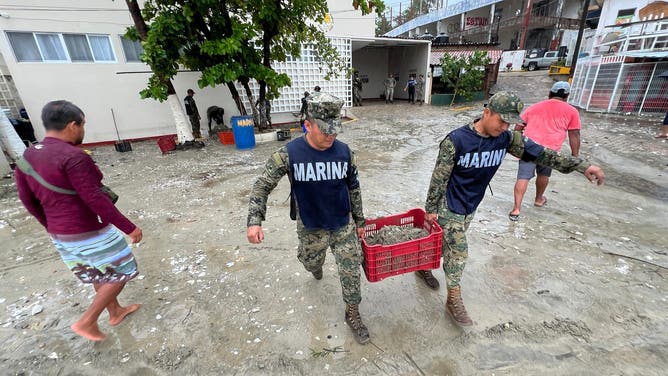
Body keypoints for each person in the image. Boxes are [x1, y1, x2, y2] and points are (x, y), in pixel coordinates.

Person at [418, 91, 605, 327]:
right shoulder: (456, 141)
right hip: (450, 205)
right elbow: (438, 179)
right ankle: (453, 299)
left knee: (445, 244)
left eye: (509, 122)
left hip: (471, 204)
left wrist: (582, 166)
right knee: (458, 251)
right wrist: (430, 210)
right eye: (501, 120)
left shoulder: (506, 139)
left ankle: (423, 265)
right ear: (486, 113)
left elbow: (545, 155)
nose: (504, 126)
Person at [14, 100, 143, 341]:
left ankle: (115, 312)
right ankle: (87, 321)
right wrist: (129, 227)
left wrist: (51, 225)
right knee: (123, 271)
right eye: (82, 124)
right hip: (88, 230)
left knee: (99, 273)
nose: (83, 130)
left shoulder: (27, 156)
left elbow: (27, 199)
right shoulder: (74, 157)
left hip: (61, 234)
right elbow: (95, 199)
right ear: (72, 125)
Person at [246, 92, 370, 344]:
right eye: (325, 131)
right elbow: (262, 186)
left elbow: (354, 188)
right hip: (311, 226)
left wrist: (360, 222)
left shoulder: (345, 153)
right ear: (307, 125)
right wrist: (254, 221)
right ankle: (314, 266)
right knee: (311, 262)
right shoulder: (289, 154)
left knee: (351, 268)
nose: (331, 136)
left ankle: (353, 312)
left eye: (335, 130)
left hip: (341, 224)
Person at [509, 81, 581, 221]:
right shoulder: (572, 111)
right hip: (550, 149)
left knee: (523, 176)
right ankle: (538, 199)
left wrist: (515, 144)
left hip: (529, 147)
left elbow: (518, 127)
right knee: (544, 174)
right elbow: (574, 134)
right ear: (567, 96)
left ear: (549, 94)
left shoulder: (534, 107)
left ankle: (516, 209)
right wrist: (575, 156)